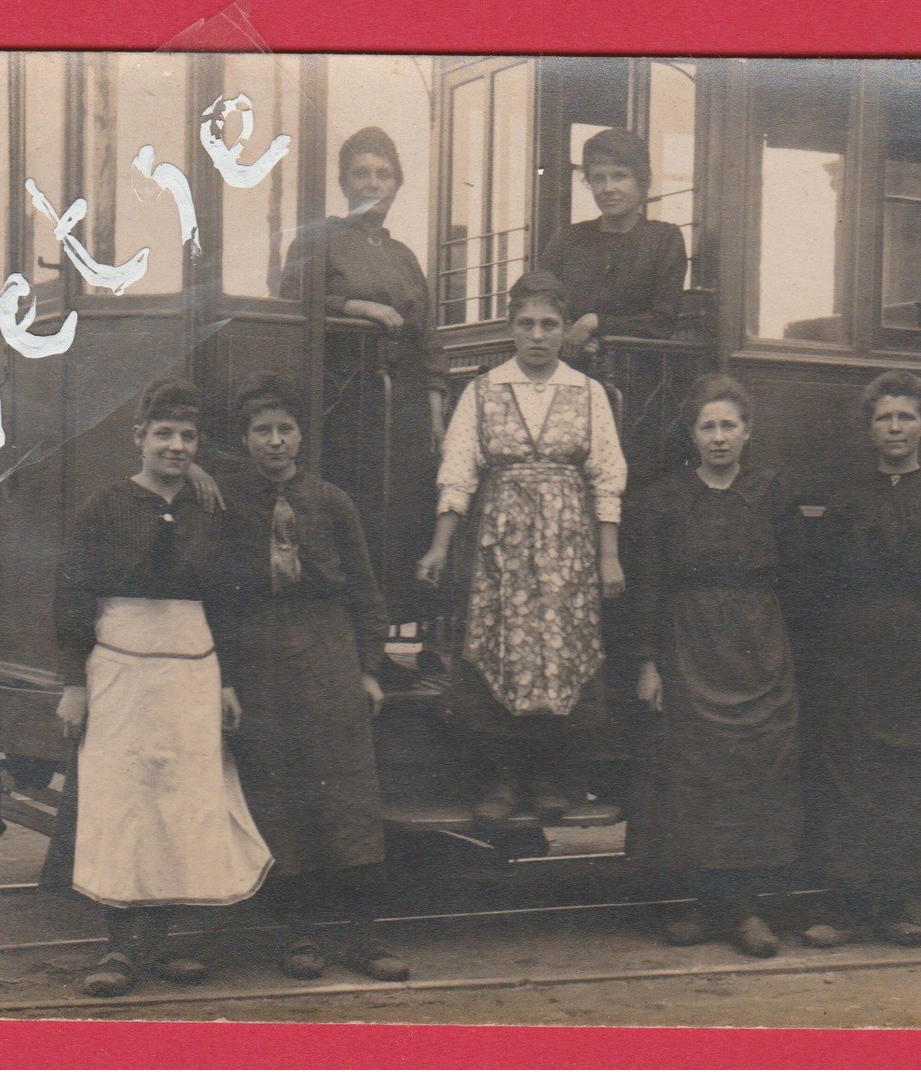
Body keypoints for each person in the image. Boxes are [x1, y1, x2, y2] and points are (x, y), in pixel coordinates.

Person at [53, 377, 271, 999]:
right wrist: (75, 683)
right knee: (123, 798)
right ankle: (119, 947)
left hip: (192, 671)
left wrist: (227, 681)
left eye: (188, 437)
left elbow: (227, 602)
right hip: (121, 668)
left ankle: (160, 944)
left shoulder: (210, 506)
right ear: (139, 438)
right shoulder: (104, 507)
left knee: (179, 798)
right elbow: (71, 599)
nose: (176, 447)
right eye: (164, 435)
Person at [211, 373, 411, 983]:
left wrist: (369, 668)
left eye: (285, 430)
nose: (275, 442)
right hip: (260, 655)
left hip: (328, 650)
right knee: (279, 792)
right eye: (261, 431)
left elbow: (365, 588)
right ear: (244, 440)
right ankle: (296, 937)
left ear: (302, 436)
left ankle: (362, 936)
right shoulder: (226, 502)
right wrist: (225, 676)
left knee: (346, 794)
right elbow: (214, 596)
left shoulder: (331, 501)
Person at [416, 271, 628, 824]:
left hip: (568, 546)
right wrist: (440, 547)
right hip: (500, 547)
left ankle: (551, 778)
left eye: (550, 325)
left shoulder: (589, 394)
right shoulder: (482, 392)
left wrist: (608, 556)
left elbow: (606, 478)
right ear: (512, 329)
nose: (538, 335)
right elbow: (458, 472)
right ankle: (502, 780)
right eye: (527, 324)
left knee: (562, 651)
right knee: (501, 648)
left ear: (564, 331)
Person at [626, 374, 807, 958]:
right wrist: (649, 662)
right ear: (694, 435)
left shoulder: (771, 492)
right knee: (696, 776)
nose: (720, 437)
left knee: (754, 773)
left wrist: (786, 650)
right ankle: (706, 906)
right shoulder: (666, 499)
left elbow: (800, 578)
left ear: (748, 432)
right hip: (689, 645)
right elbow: (648, 585)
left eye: (730, 425)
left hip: (759, 648)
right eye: (708, 426)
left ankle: (748, 909)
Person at [803, 370, 921, 948]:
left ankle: (896, 908)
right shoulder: (848, 499)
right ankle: (849, 908)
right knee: (851, 777)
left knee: (907, 780)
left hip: (920, 659)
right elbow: (822, 585)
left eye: (906, 417)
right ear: (869, 429)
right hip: (854, 658)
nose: (895, 428)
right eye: (885, 418)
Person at [281, 126, 450, 663]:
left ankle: (380, 649)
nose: (373, 182)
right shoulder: (319, 237)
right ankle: (341, 647)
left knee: (397, 517)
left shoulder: (402, 255)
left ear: (397, 183)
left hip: (399, 407)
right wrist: (361, 309)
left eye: (383, 173)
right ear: (343, 181)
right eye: (361, 172)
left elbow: (426, 334)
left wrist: (436, 405)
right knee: (351, 512)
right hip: (342, 402)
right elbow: (294, 299)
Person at [538, 127, 688, 369]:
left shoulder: (664, 239)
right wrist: (567, 334)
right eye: (598, 178)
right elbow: (535, 300)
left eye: (620, 176)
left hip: (635, 375)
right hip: (566, 365)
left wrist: (594, 323)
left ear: (642, 181)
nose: (608, 188)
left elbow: (661, 323)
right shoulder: (568, 238)